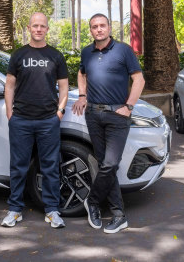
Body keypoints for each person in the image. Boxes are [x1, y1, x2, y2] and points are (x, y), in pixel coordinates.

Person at [72, 13, 145, 234]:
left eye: (102, 25)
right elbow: (81, 73)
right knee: (105, 163)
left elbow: (139, 79)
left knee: (110, 164)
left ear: (109, 27)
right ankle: (118, 215)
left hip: (117, 116)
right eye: (94, 26)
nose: (99, 29)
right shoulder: (87, 52)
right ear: (91, 30)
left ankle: (92, 201)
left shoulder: (123, 50)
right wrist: (82, 96)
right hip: (93, 115)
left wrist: (129, 106)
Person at [1, 12, 69, 229]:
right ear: (29, 28)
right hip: (20, 120)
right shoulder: (18, 55)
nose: (39, 29)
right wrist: (10, 113)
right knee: (18, 167)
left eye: (43, 26)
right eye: (35, 26)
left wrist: (59, 112)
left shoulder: (56, 56)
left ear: (47, 29)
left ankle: (52, 211)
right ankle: (15, 210)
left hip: (48, 121)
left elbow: (64, 87)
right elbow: (9, 85)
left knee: (49, 167)